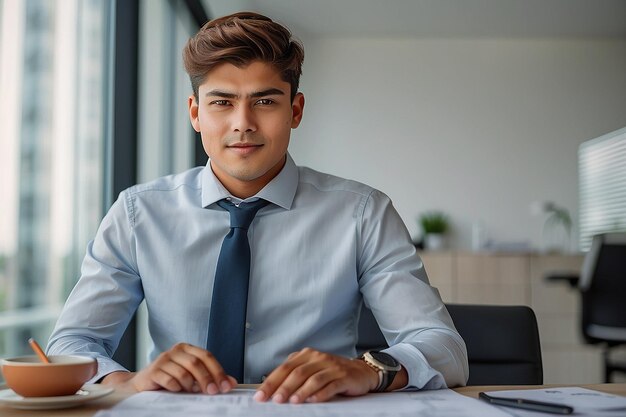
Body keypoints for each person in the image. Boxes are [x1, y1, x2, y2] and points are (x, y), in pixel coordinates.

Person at [47, 11, 468, 404]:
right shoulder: (138, 213)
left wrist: (370, 370)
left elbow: (443, 346)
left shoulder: (363, 213)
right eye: (222, 102)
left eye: (265, 102)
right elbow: (70, 344)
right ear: (195, 114)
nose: (243, 122)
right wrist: (129, 383)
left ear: (295, 110)